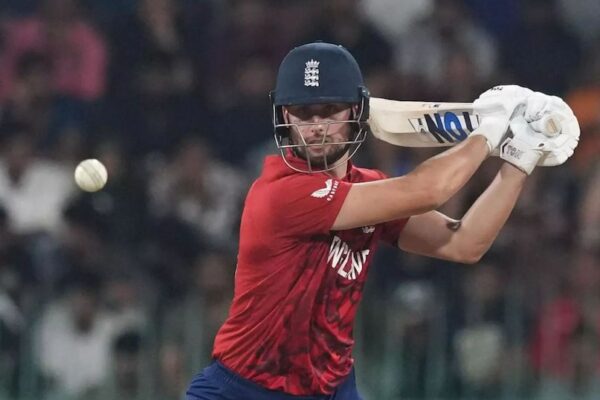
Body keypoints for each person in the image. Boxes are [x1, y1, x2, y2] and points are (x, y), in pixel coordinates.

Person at [185, 42, 578, 399]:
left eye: (330, 110)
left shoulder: (367, 189)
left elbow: (465, 243)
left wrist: (520, 159)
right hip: (244, 388)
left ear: (357, 113)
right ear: (285, 116)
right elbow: (428, 190)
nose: (317, 127)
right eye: (303, 113)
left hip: (330, 387)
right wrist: (488, 129)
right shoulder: (282, 192)